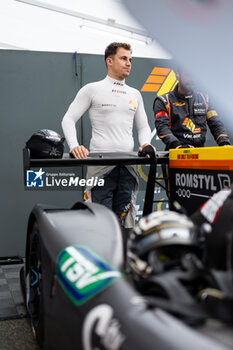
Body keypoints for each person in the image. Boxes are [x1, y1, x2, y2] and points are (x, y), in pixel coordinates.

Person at [62, 42, 153, 227]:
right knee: (100, 224)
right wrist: (74, 146)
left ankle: (123, 256)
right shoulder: (92, 89)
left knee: (125, 224)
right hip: (101, 168)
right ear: (109, 61)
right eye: (123, 58)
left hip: (128, 168)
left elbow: (144, 127)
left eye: (130, 59)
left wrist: (144, 143)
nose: (128, 63)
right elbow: (68, 119)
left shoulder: (134, 94)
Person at [153, 68, 231, 150]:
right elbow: (162, 128)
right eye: (188, 75)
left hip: (200, 154)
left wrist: (224, 143)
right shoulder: (164, 101)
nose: (191, 79)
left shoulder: (205, 99)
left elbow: (216, 123)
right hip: (176, 153)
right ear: (177, 75)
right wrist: (177, 145)